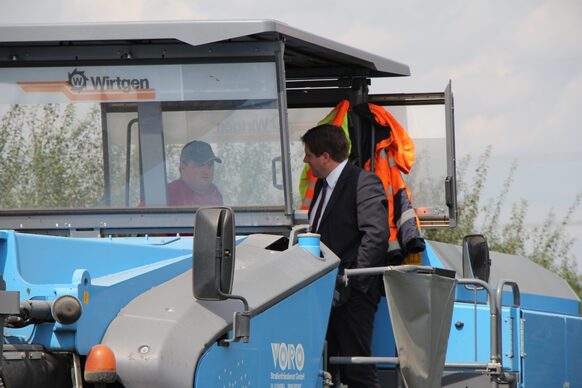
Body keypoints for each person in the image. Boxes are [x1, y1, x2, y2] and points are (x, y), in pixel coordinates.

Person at [301, 123, 389, 388]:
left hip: (353, 295)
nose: (306, 161)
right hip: (325, 295)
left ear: (325, 156)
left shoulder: (363, 182)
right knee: (324, 369)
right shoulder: (321, 187)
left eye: (309, 155)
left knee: (356, 369)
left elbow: (376, 235)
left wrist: (353, 282)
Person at [167, 140, 223, 206]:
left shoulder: (215, 193)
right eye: (200, 165)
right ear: (182, 168)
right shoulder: (170, 193)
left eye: (210, 165)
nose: (206, 171)